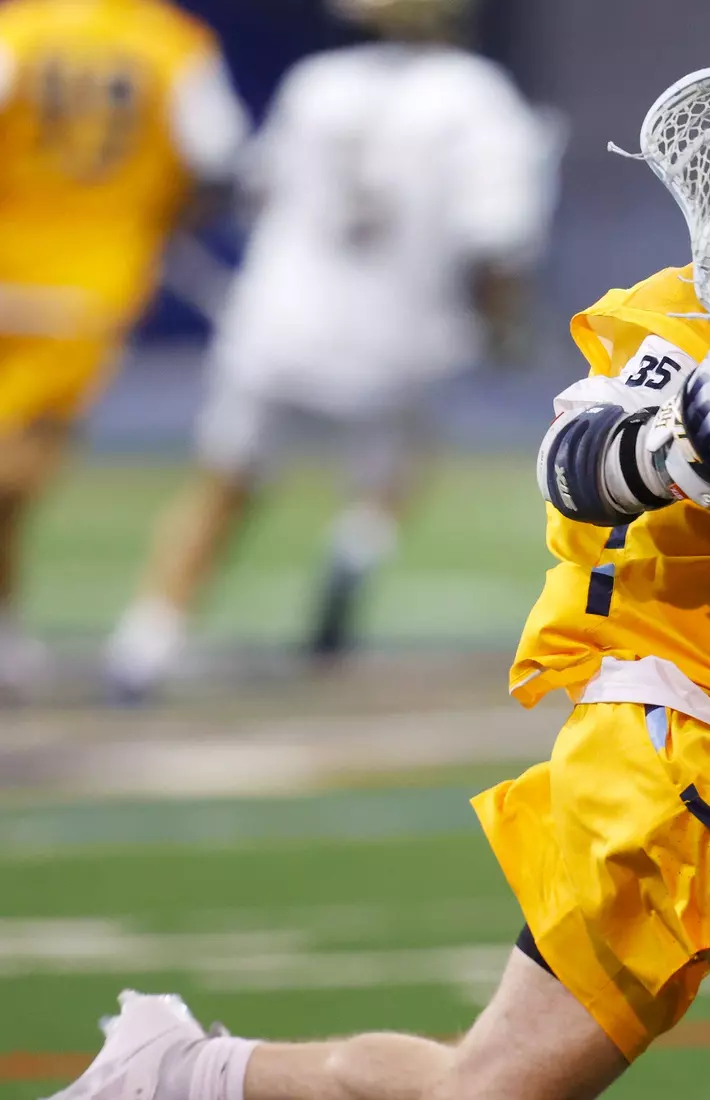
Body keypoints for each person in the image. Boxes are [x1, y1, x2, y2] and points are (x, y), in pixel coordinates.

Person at [53, 50, 710, 1100]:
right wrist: (685, 438)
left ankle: (176, 1069)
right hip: (663, 726)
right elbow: (571, 461)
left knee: (482, 1083)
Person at [102, 0, 554, 698]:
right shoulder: (481, 101)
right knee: (396, 467)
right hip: (400, 337)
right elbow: (497, 239)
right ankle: (357, 549)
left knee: (223, 485)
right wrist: (503, 327)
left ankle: (148, 642)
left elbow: (254, 190)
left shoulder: (316, 83)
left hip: (280, 320)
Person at [0, 0, 249, 698]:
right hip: (89, 279)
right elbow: (218, 160)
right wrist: (153, 215)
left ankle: (6, 637)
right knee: (19, 472)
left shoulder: (18, 31)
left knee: (13, 483)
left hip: (15, 261)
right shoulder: (171, 44)